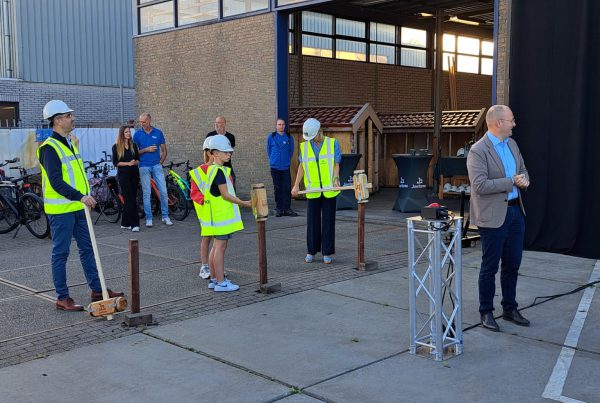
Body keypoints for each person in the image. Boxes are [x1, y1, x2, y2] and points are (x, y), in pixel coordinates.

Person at [37, 100, 124, 311]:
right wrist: (80, 196)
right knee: (61, 253)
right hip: (61, 211)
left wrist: (85, 195)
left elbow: (75, 177)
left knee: (88, 248)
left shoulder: (68, 143)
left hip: (78, 207)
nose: (72, 118)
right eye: (68, 115)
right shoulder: (49, 148)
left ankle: (97, 290)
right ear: (58, 120)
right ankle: (62, 297)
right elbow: (56, 182)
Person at [467, 105, 530, 332]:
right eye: (511, 120)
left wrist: (525, 180)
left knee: (512, 264)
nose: (514, 124)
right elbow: (480, 185)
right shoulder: (478, 150)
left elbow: (522, 170)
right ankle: (486, 311)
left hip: (515, 212)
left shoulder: (512, 144)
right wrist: (512, 181)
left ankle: (509, 308)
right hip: (492, 217)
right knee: (490, 266)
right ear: (498, 123)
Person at [202, 135, 251, 292]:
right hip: (221, 218)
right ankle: (221, 282)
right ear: (215, 153)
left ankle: (215, 279)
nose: (229, 154)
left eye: (230, 152)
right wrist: (245, 203)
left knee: (215, 247)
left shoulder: (212, 170)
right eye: (225, 152)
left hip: (216, 217)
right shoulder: (219, 172)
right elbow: (225, 195)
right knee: (220, 248)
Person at [291, 118, 341, 264]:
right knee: (312, 222)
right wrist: (296, 185)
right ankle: (311, 251)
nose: (312, 140)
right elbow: (302, 166)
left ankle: (327, 252)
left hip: (329, 189)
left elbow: (336, 164)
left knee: (328, 221)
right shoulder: (304, 146)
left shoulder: (333, 143)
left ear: (320, 131)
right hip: (313, 190)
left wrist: (336, 179)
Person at [133, 113, 172, 227]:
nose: (142, 124)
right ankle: (149, 218)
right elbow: (135, 153)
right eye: (140, 121)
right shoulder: (137, 134)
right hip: (144, 166)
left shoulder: (158, 132)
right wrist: (146, 149)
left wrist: (160, 163)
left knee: (164, 192)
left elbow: (164, 150)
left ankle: (165, 216)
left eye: (144, 121)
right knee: (147, 193)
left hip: (156, 165)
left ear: (149, 120)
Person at [189, 137, 214, 280]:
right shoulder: (199, 171)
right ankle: (204, 266)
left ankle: (215, 265)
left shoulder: (223, 170)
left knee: (218, 240)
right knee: (207, 237)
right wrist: (205, 201)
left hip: (218, 211)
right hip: (205, 210)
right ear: (210, 153)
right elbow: (195, 193)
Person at [266, 118, 297, 217]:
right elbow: (269, 150)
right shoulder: (271, 137)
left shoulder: (289, 137)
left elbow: (291, 152)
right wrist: (273, 160)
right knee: (277, 188)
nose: (281, 126)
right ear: (276, 126)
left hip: (285, 167)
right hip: (275, 167)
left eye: (283, 124)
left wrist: (286, 161)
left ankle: (287, 209)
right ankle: (279, 208)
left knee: (287, 188)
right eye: (279, 124)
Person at [112, 125, 140, 232]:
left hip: (134, 174)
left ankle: (125, 223)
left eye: (129, 132)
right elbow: (116, 162)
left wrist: (134, 162)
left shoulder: (134, 145)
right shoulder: (116, 147)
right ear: (122, 134)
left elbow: (138, 159)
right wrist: (128, 163)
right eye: (126, 132)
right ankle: (134, 224)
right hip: (123, 176)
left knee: (132, 197)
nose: (128, 133)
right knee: (129, 199)